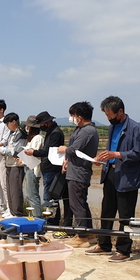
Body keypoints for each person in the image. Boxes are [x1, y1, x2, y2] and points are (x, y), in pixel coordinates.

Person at [88, 96, 140, 262]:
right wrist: (103, 159)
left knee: (127, 215)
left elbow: (138, 153)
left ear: (120, 111)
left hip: (128, 177)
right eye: (106, 115)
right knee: (107, 210)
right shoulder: (112, 128)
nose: (108, 118)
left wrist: (117, 155)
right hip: (110, 173)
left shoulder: (135, 128)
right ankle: (103, 244)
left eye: (110, 115)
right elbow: (110, 150)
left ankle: (124, 250)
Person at [57, 102, 99, 248]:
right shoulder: (80, 129)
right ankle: (90, 233)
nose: (71, 118)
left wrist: (64, 149)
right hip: (74, 170)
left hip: (79, 173)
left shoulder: (87, 131)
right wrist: (67, 161)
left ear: (79, 117)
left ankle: (82, 236)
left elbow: (75, 149)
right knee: (80, 203)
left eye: (72, 115)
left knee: (77, 204)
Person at [25, 111, 72, 230]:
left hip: (52, 169)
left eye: (41, 124)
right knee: (50, 196)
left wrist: (33, 152)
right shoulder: (51, 131)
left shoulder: (55, 133)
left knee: (50, 197)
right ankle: (51, 220)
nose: (40, 126)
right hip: (48, 168)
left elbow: (48, 151)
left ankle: (52, 221)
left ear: (46, 122)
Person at [0, 113, 27, 217]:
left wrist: (0, 151)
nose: (6, 126)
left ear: (14, 121)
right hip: (8, 164)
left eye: (7, 123)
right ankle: (11, 211)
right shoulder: (11, 133)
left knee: (15, 191)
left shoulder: (21, 134)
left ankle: (17, 213)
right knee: (9, 190)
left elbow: (15, 151)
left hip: (16, 166)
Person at [22, 116, 44, 217]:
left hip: (33, 168)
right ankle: (35, 217)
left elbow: (34, 155)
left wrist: (24, 156)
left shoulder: (38, 138)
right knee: (30, 194)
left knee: (33, 195)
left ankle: (37, 218)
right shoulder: (31, 139)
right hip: (28, 167)